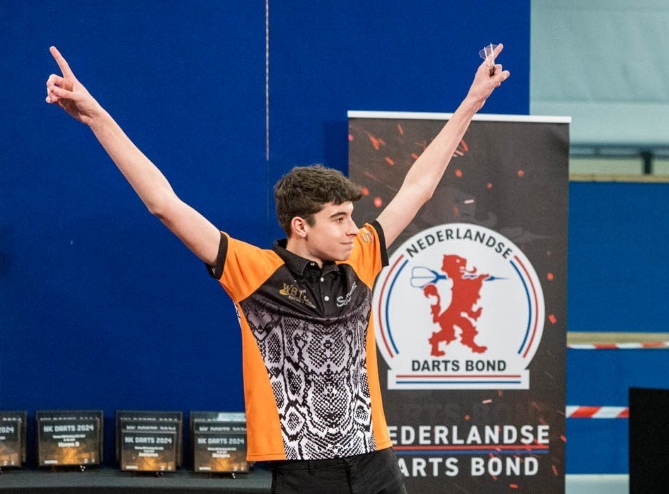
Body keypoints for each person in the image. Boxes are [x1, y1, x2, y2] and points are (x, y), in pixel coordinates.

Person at [45, 45, 510, 493]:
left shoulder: (363, 256)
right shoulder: (252, 271)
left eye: (352, 216)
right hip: (304, 475)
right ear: (301, 226)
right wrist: (96, 117)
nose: (354, 229)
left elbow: (419, 186)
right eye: (340, 218)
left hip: (377, 464)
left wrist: (472, 102)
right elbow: (164, 204)